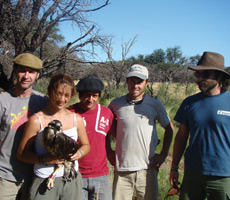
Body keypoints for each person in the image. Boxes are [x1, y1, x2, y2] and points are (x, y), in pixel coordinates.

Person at [17, 73, 90, 200]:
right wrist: (45, 159)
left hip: (71, 179)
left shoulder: (76, 119)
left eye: (66, 95)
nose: (62, 99)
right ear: (50, 92)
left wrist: (79, 154)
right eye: (58, 93)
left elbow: (86, 145)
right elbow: (21, 154)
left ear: (72, 96)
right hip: (44, 180)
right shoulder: (36, 120)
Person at [108, 64, 174, 200]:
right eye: (132, 80)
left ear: (146, 83)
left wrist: (163, 155)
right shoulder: (116, 104)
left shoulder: (155, 104)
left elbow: (169, 128)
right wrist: (109, 151)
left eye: (139, 82)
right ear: (127, 81)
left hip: (147, 168)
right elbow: (106, 130)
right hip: (122, 168)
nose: (135, 85)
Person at [169, 51, 230, 200]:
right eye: (198, 75)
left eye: (205, 75)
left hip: (223, 174)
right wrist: (174, 167)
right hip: (193, 172)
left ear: (219, 76)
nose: (200, 79)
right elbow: (181, 137)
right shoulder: (190, 103)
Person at [0, 53, 48, 200]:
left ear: (37, 75)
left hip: (35, 175)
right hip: (5, 175)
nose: (26, 76)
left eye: (31, 72)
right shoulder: (3, 101)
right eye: (22, 70)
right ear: (15, 70)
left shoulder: (42, 101)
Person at [69, 76, 115, 200]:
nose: (90, 99)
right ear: (79, 95)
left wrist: (110, 151)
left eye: (94, 96)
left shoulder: (106, 113)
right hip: (75, 174)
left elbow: (110, 136)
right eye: (87, 95)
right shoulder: (69, 113)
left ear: (99, 96)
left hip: (100, 174)